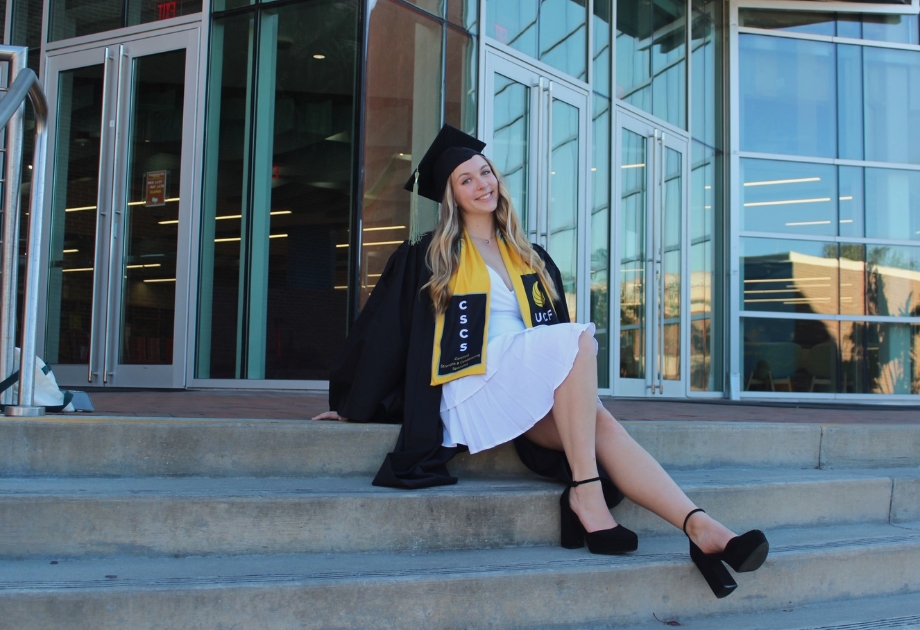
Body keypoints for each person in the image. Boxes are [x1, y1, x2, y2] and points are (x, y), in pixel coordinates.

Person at [314, 125, 768, 598]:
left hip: (524, 376)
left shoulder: (530, 256)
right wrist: (354, 402)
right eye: (465, 179)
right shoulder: (430, 256)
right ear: (450, 194)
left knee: (600, 424)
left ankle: (702, 529)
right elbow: (387, 333)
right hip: (473, 380)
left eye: (485, 172)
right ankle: (587, 493)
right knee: (577, 341)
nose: (481, 184)